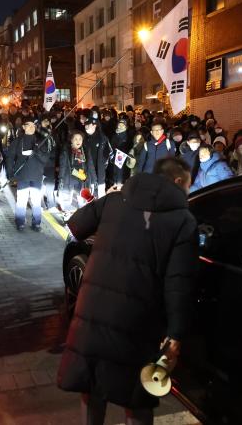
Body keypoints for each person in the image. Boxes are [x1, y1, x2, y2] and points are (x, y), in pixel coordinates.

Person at [58, 157, 198, 425]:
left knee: (92, 382)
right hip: (137, 320)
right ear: (179, 182)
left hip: (93, 310)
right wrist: (175, 335)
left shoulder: (116, 199)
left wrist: (105, 203)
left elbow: (76, 225)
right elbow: (179, 282)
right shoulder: (183, 220)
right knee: (136, 395)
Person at [5, 116, 52, 231]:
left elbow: (46, 158)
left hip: (36, 175)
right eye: (28, 125)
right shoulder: (17, 141)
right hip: (23, 175)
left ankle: (36, 223)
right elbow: (10, 157)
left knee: (36, 200)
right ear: (23, 127)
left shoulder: (41, 141)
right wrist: (10, 172)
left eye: (33, 126)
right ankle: (20, 222)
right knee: (22, 199)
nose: (31, 128)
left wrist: (38, 153)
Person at [58, 130, 95, 220]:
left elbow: (90, 165)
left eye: (80, 139)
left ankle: (81, 216)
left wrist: (94, 180)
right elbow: (62, 166)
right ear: (71, 140)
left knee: (82, 199)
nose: (78, 141)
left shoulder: (85, 150)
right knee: (67, 197)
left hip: (82, 178)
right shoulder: (66, 150)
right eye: (76, 139)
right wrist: (61, 179)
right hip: (69, 178)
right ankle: (66, 215)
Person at [83, 117, 111, 198]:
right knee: (90, 191)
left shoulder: (103, 138)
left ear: (94, 125)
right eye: (85, 125)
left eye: (88, 125)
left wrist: (104, 164)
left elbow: (108, 152)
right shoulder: (84, 138)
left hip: (100, 171)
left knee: (100, 192)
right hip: (88, 170)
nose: (86, 127)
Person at [108, 118, 132, 186]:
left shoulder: (127, 136)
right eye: (119, 125)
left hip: (122, 157)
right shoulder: (114, 135)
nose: (121, 126)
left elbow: (128, 146)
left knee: (121, 172)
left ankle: (120, 184)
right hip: (115, 156)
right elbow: (111, 146)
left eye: (123, 125)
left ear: (126, 127)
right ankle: (115, 183)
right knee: (115, 170)